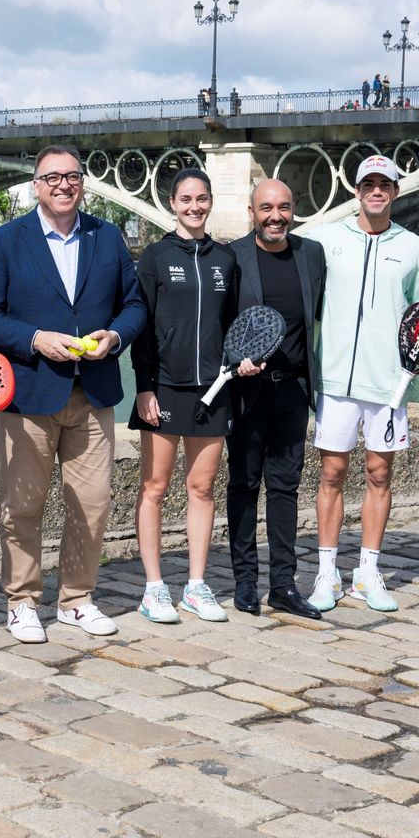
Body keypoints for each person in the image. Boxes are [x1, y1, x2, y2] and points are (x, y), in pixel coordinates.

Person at [0, 144, 147, 642]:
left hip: (93, 393)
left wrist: (115, 338)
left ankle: (76, 599)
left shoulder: (108, 237)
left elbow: (133, 305)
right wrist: (35, 340)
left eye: (71, 176)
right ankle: (23, 600)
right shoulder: (6, 241)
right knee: (22, 504)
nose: (62, 185)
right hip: (28, 393)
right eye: (52, 177)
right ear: (36, 185)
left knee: (92, 503)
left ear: (82, 183)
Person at [302, 154, 419, 615]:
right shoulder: (323, 238)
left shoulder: (415, 247)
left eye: (385, 184)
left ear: (395, 192)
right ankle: (326, 571)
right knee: (332, 473)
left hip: (389, 383)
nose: (376, 191)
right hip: (335, 380)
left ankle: (368, 572)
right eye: (369, 184)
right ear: (356, 191)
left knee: (379, 473)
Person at [129, 168, 237, 624]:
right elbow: (142, 326)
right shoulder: (154, 257)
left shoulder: (226, 260)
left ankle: (195, 585)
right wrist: (144, 386)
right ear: (172, 204)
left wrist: (238, 364)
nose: (194, 207)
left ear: (210, 203)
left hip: (211, 390)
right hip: (165, 387)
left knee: (202, 488)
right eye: (186, 199)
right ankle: (154, 587)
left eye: (202, 199)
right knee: (154, 487)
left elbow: (232, 324)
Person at [225, 179, 327, 621]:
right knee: (244, 486)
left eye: (284, 207)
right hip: (247, 391)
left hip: (292, 390)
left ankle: (283, 585)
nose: (275, 216)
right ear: (252, 212)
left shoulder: (311, 255)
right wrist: (234, 359)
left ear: (294, 210)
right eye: (266, 208)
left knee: (286, 490)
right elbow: (219, 323)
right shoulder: (231, 256)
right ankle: (245, 582)